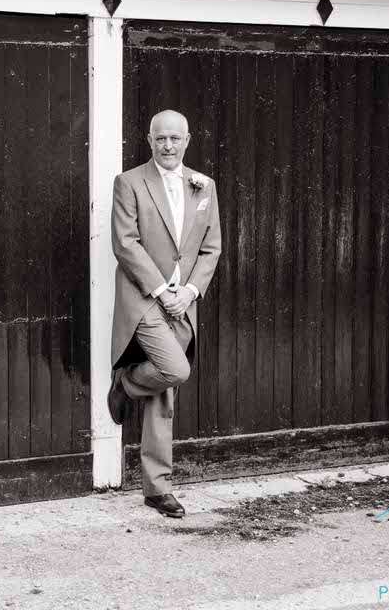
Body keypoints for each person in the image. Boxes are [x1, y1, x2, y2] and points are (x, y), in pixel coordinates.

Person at [107, 109, 222, 518]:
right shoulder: (129, 182)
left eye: (175, 138)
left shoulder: (203, 185)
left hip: (183, 304)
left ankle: (157, 488)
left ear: (187, 140)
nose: (168, 146)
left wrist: (189, 292)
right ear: (150, 140)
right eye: (161, 139)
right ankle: (126, 384)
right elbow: (125, 243)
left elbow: (211, 248)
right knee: (175, 370)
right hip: (146, 300)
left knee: (164, 394)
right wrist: (161, 290)